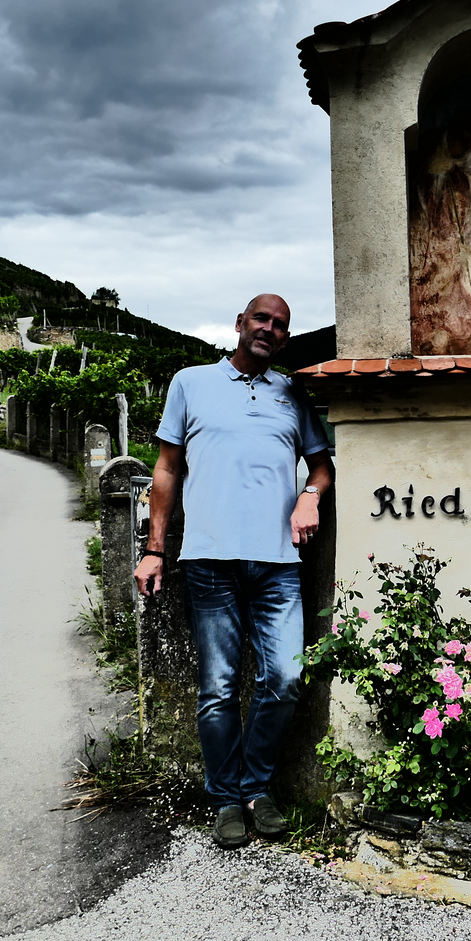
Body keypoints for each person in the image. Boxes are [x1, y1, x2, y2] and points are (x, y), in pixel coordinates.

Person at [133, 294, 334, 849]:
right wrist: (155, 549)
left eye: (280, 325)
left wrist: (310, 497)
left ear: (286, 338)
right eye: (261, 319)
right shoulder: (190, 382)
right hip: (209, 560)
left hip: (278, 563)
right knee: (218, 687)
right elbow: (167, 468)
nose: (269, 329)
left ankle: (255, 787)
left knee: (287, 678)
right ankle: (226, 798)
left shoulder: (292, 392)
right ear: (240, 324)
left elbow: (321, 465)